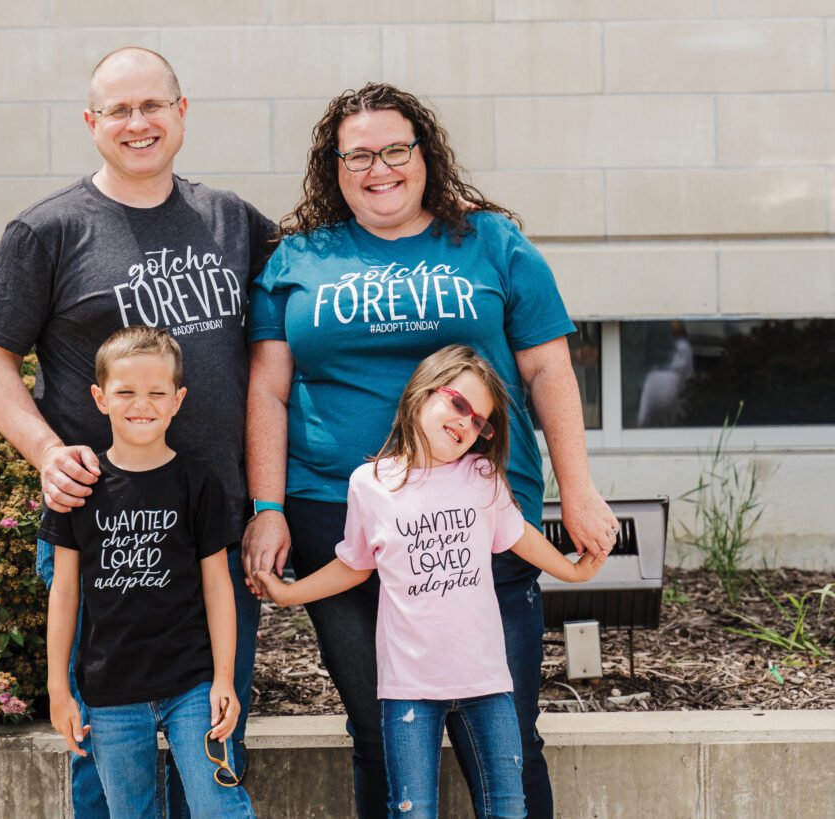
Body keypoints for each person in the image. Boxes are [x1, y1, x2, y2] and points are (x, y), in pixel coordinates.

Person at [243, 82, 619, 819]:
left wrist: (578, 490)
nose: (378, 168)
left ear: (424, 155)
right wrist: (267, 506)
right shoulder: (297, 260)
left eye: (394, 149)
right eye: (358, 155)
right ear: (334, 166)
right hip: (339, 516)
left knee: (507, 734)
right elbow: (267, 391)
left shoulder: (492, 244)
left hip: (485, 514)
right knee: (379, 733)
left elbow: (547, 369)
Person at [0, 47, 273, 818]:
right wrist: (44, 452)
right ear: (91, 123)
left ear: (181, 111)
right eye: (118, 110)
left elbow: (308, 292)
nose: (138, 124)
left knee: (216, 741)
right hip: (102, 532)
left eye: (153, 106)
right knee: (106, 762)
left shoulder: (231, 219)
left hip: (213, 528)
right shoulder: (48, 230)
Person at [254, 346, 606, 819]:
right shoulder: (370, 484)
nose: (467, 422)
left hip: (486, 683)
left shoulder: (483, 477)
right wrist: (288, 592)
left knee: (507, 806)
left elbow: (520, 536)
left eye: (480, 420)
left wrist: (574, 570)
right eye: (459, 403)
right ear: (422, 394)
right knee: (411, 810)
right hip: (409, 690)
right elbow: (355, 564)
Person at [43, 326, 255, 818]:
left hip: (192, 687)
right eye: (126, 392)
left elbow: (218, 587)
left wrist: (224, 678)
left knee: (216, 806)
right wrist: (59, 688)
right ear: (100, 398)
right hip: (111, 692)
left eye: (157, 392)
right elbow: (65, 591)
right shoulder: (78, 488)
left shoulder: (197, 483)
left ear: (178, 400)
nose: (143, 404)